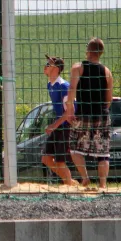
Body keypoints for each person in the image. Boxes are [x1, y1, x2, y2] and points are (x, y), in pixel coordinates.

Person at [66, 38, 113, 190]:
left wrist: (70, 108)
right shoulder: (107, 72)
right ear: (101, 53)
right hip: (102, 115)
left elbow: (72, 89)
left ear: (88, 51)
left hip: (84, 114)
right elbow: (109, 99)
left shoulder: (78, 68)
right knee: (103, 152)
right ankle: (103, 185)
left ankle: (85, 177)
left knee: (74, 147)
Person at [41, 55, 77, 186]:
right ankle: (70, 181)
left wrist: (53, 125)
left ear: (56, 68)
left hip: (66, 125)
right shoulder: (50, 85)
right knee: (46, 158)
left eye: (48, 64)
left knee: (60, 161)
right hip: (59, 123)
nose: (45, 66)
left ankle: (68, 183)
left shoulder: (64, 86)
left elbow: (70, 112)